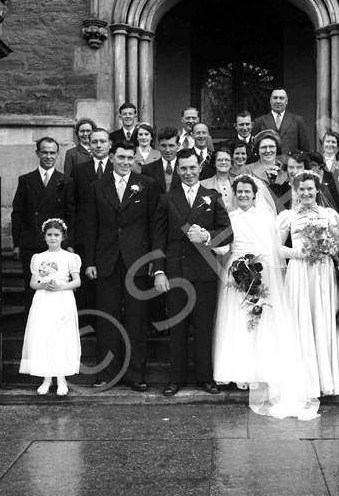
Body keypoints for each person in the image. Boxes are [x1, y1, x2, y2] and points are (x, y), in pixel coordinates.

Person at [213, 174, 320, 420]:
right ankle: (239, 371)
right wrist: (212, 243)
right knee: (238, 321)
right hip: (236, 272)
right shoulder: (229, 217)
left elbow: (272, 247)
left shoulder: (266, 217)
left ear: (254, 194)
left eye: (246, 192)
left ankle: (260, 370)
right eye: (238, 192)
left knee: (261, 320)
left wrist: (261, 272)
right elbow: (224, 246)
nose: (242, 196)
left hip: (262, 271)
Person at [152, 148, 233, 397]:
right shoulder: (168, 199)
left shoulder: (212, 196)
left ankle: (204, 378)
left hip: (204, 272)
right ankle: (175, 378)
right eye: (183, 168)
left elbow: (227, 231)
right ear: (177, 170)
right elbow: (159, 237)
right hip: (176, 270)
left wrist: (207, 236)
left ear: (200, 168)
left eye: (192, 167)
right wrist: (159, 272)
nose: (188, 172)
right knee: (177, 327)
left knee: (203, 326)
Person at [85, 141, 160, 391]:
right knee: (107, 317)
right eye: (121, 157)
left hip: (137, 260)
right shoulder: (97, 186)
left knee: (136, 319)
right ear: (112, 157)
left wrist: (153, 261)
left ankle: (135, 374)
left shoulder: (147, 185)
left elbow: (154, 226)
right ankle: (106, 372)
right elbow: (90, 226)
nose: (126, 162)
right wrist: (90, 261)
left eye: (130, 158)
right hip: (106, 260)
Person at [277, 171, 339, 397]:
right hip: (299, 272)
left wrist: (327, 248)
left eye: (310, 188)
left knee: (322, 319)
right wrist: (300, 252)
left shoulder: (329, 215)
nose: (306, 193)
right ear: (295, 191)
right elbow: (277, 249)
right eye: (301, 189)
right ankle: (303, 382)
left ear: (317, 189)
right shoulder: (287, 216)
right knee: (302, 321)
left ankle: (326, 381)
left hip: (323, 272)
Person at [11, 137, 75, 324]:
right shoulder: (26, 180)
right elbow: (18, 213)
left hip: (57, 245)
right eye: (45, 152)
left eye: (52, 152)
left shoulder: (65, 181)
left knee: (57, 287)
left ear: (58, 154)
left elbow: (71, 213)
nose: (48, 156)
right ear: (38, 153)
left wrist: (68, 243)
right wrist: (16, 243)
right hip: (31, 243)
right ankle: (32, 330)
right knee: (33, 289)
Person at [19, 218, 81, 397]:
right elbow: (32, 282)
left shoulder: (70, 257)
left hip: (62, 298)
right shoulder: (38, 258)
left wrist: (60, 286)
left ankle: (61, 379)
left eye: (56, 235)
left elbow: (77, 281)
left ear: (63, 237)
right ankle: (46, 379)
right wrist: (43, 285)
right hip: (44, 298)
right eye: (49, 235)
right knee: (44, 335)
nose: (53, 238)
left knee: (61, 336)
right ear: (44, 237)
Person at [71, 128, 113, 329]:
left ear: (110, 144)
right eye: (94, 141)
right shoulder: (80, 170)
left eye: (102, 141)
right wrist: (70, 239)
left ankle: (106, 323)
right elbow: (72, 204)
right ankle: (87, 324)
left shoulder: (119, 167)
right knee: (86, 282)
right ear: (89, 144)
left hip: (111, 234)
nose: (98, 145)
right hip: (85, 233)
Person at [252, 89, 311, 156]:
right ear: (270, 100)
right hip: (268, 163)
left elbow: (305, 148)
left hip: (290, 164)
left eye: (281, 98)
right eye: (275, 98)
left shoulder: (297, 120)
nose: (278, 101)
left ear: (286, 101)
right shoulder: (259, 122)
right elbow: (255, 148)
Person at [241, 131, 288, 203]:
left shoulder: (286, 169)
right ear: (257, 150)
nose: (268, 150)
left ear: (277, 148)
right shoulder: (246, 170)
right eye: (264, 147)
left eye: (271, 147)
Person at [141, 127, 181, 194]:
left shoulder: (185, 168)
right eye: (163, 146)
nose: (167, 150)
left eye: (171, 146)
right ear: (158, 145)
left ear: (178, 146)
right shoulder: (148, 169)